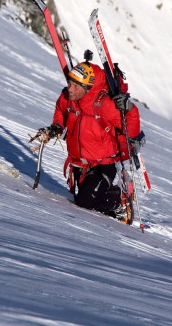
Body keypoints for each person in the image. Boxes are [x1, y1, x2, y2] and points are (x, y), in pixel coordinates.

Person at [37, 60, 142, 224]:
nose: (70, 89)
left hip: (103, 164)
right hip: (78, 164)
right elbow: (60, 109)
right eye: (70, 83)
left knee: (84, 201)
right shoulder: (68, 98)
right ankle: (109, 203)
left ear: (87, 88)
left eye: (75, 86)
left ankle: (120, 201)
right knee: (86, 199)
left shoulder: (104, 105)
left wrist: (130, 109)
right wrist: (57, 126)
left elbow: (131, 131)